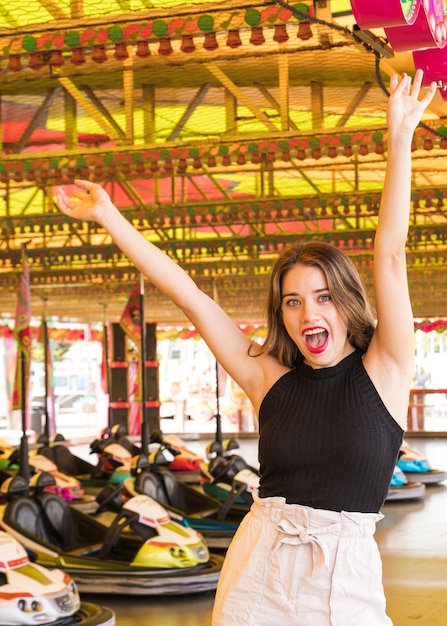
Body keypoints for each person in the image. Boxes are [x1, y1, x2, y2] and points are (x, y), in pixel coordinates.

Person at [56, 69, 436, 625]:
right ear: (282, 314)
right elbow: (189, 295)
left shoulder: (385, 367)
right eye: (293, 301)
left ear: (347, 302)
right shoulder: (269, 378)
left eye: (323, 296)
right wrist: (109, 216)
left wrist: (399, 138)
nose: (308, 311)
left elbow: (390, 253)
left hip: (343, 575)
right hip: (260, 565)